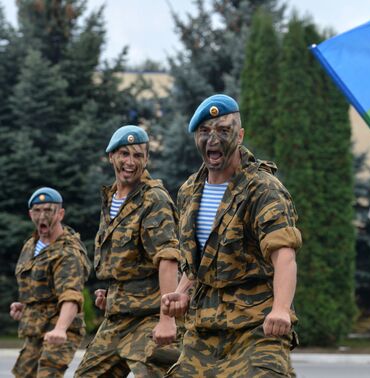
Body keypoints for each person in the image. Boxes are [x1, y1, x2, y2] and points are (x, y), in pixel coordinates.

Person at [161, 94, 302, 377]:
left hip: (255, 327)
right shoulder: (189, 191)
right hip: (204, 330)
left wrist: (281, 309)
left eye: (223, 131)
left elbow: (284, 255)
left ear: (240, 135)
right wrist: (181, 293)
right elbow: (198, 265)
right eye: (204, 132)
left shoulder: (262, 189)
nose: (212, 139)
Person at [75, 125, 183, 377]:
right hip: (117, 318)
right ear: (111, 156)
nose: (130, 162)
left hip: (149, 318)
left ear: (146, 159)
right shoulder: (111, 198)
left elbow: (167, 259)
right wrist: (111, 293)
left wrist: (167, 320)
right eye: (124, 154)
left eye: (138, 155)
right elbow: (126, 261)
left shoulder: (153, 200)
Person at [11, 187, 91, 377]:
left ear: (60, 213)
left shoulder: (68, 251)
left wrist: (61, 329)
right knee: (23, 374)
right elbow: (36, 284)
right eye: (37, 211)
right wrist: (25, 305)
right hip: (35, 328)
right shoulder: (31, 245)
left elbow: (71, 295)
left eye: (48, 210)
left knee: (47, 374)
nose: (42, 216)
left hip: (61, 329)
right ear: (30, 213)